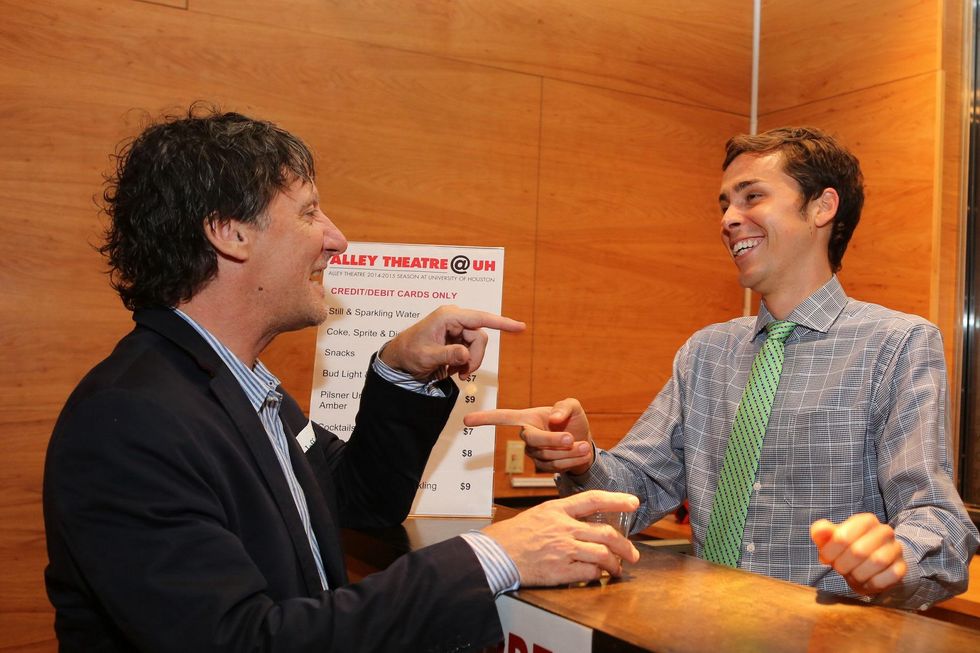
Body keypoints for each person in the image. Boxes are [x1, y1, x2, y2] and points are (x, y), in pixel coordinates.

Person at [43, 106, 640, 652]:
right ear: (229, 233)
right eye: (307, 212)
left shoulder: (242, 389)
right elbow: (240, 642)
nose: (336, 238)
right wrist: (491, 558)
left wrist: (402, 371)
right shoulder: (129, 421)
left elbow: (361, 500)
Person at [467, 126, 979, 610]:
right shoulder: (706, 352)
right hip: (704, 626)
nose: (729, 218)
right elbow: (631, 496)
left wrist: (892, 560)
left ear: (822, 207)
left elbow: (939, 520)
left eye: (752, 196)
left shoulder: (897, 344)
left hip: (828, 634)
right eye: (725, 203)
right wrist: (580, 460)